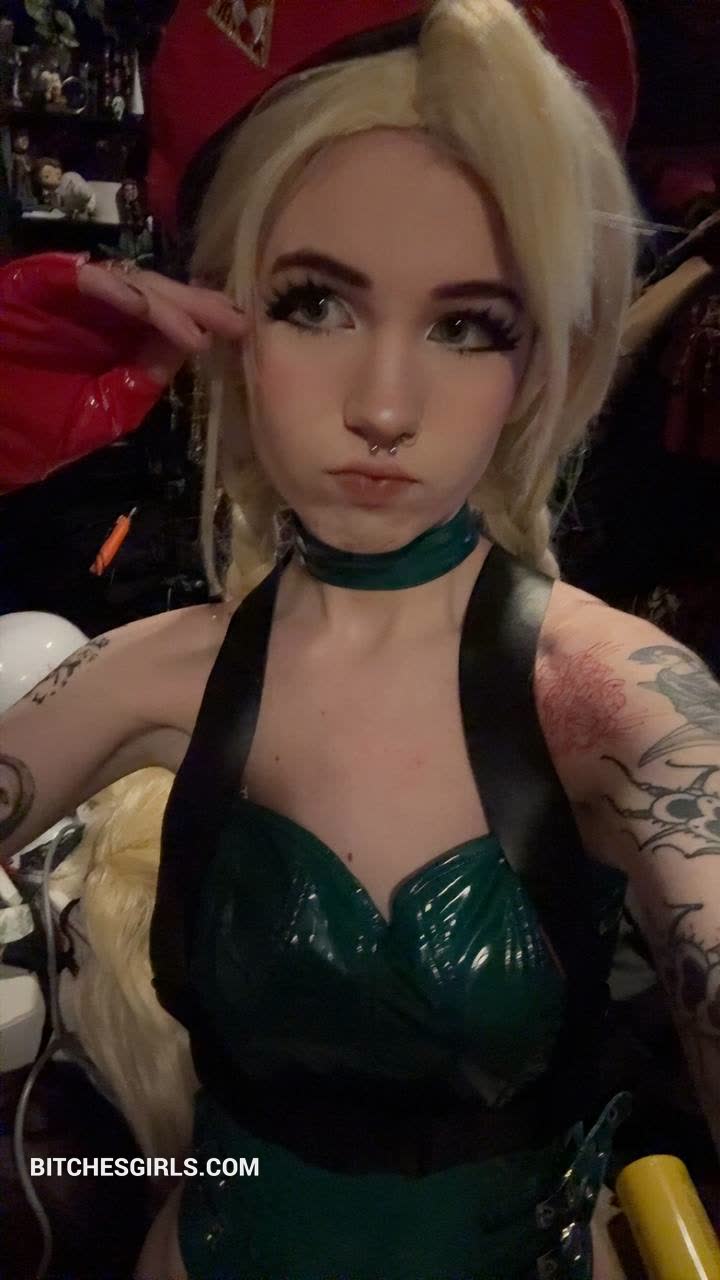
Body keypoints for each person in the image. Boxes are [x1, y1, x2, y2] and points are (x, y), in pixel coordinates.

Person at [2, 1, 719, 1278]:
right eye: (316, 303)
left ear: (539, 363)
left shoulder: (613, 701)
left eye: (467, 325)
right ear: (226, 317)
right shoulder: (155, 672)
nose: (384, 405)